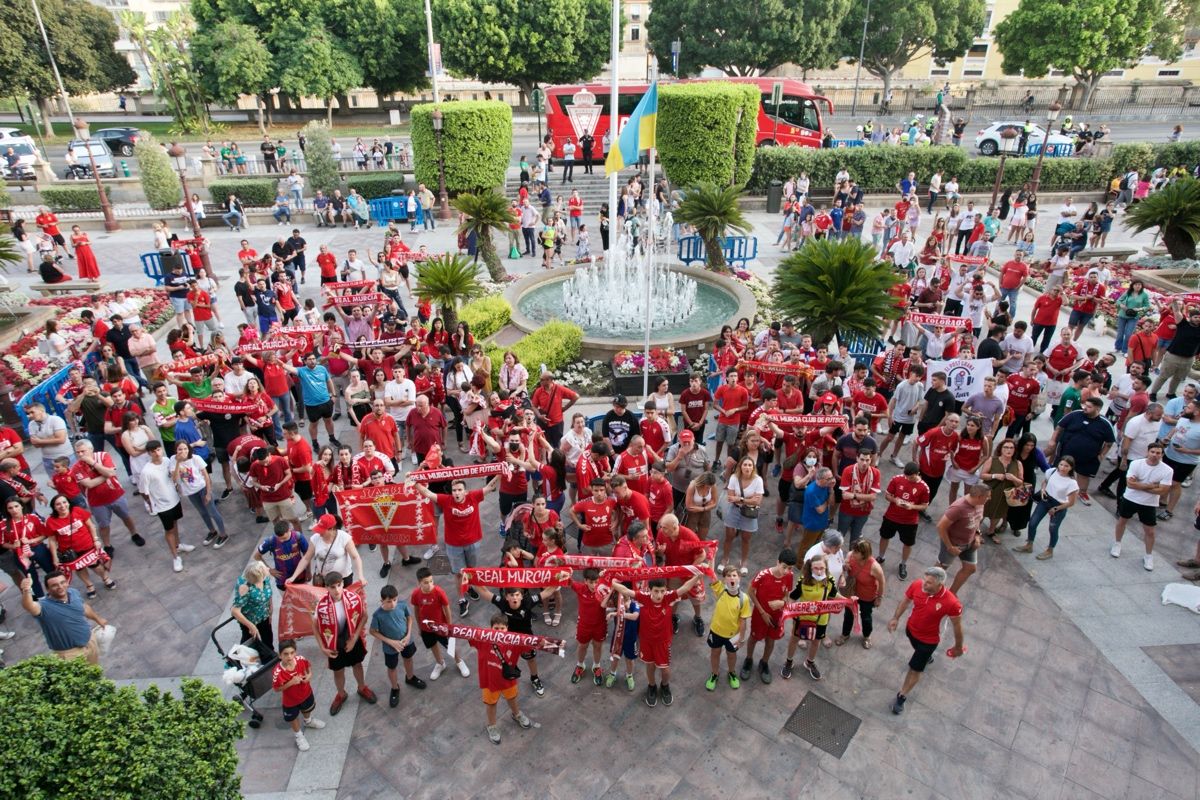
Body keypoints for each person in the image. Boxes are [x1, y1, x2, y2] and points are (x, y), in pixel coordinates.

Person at [408, 476, 501, 616]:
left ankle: (469, 587)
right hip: (453, 545)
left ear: (465, 491)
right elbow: (428, 493)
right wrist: (414, 482)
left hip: (473, 542)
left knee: (471, 570)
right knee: (458, 574)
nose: (457, 493)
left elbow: (490, 486)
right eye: (454, 490)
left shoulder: (474, 497)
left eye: (459, 490)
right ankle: (462, 599)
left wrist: (501, 473)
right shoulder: (446, 500)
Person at [609, 573, 703, 708]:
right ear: (650, 590)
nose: (659, 595)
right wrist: (611, 581)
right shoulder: (643, 597)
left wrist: (697, 577)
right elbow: (625, 590)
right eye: (656, 591)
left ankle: (665, 686)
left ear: (666, 590)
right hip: (647, 642)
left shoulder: (669, 597)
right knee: (650, 666)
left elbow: (685, 587)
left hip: (663, 642)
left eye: (662, 591)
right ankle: (651, 686)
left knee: (664, 670)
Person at [886, 566, 964, 715]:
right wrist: (895, 618)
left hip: (929, 641)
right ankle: (927, 657)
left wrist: (958, 647)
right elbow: (905, 601)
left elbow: (957, 626)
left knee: (915, 668)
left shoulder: (951, 603)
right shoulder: (917, 585)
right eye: (925, 580)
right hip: (911, 630)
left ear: (939, 584)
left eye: (929, 583)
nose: (924, 584)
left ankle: (901, 696)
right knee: (917, 651)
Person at [312, 571, 377, 715]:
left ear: (343, 584)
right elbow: (315, 626)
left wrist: (354, 638)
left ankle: (362, 687)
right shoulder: (321, 605)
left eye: (339, 585)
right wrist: (322, 647)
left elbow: (364, 616)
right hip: (334, 641)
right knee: (338, 671)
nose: (337, 590)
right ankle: (341, 694)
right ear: (326, 588)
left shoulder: (353, 598)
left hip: (351, 636)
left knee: (357, 665)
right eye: (332, 587)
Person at [472, 613, 536, 744]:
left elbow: (530, 646)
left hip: (508, 680)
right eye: (496, 628)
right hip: (489, 682)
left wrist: (553, 645)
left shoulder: (514, 642)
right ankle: (492, 726)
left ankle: (517, 714)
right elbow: (465, 634)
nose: (499, 632)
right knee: (491, 704)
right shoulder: (482, 640)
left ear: (507, 629)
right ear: (490, 629)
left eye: (502, 628)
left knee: (512, 698)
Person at [1112, 441, 1175, 571]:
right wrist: (1153, 485)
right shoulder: (1136, 464)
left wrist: (1140, 485)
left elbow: (1163, 490)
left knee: (1150, 531)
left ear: (1162, 454)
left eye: (1158, 453)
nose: (1155, 455)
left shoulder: (1168, 470)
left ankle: (1148, 555)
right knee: (1122, 521)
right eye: (1152, 452)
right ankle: (1117, 543)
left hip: (1149, 503)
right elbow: (1130, 484)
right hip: (1130, 498)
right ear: (1147, 452)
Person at [18, 572, 108, 663]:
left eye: (62, 582)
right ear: (47, 589)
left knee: (95, 669)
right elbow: (29, 606)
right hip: (69, 654)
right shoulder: (43, 606)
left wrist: (98, 619)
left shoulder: (73, 592)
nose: (60, 587)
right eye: (54, 585)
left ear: (67, 582)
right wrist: (26, 590)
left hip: (90, 641)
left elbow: (84, 607)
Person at [739, 548, 796, 684]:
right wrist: (763, 612)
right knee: (753, 638)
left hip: (777, 616)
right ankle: (748, 659)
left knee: (771, 641)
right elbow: (750, 591)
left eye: (789, 568)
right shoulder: (763, 575)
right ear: (777, 562)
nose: (786, 571)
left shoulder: (789, 576)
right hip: (760, 615)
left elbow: (787, 596)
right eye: (784, 567)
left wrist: (781, 602)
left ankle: (764, 663)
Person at [137, 441, 195, 573]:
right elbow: (142, 490)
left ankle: (178, 545)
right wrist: (150, 503)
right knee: (169, 530)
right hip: (162, 505)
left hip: (174, 499)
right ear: (149, 453)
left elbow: (173, 475)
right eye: (153, 451)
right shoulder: (146, 471)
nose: (157, 453)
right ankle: (175, 557)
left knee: (175, 523)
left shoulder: (166, 460)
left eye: (158, 450)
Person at [1044, 397, 1115, 504]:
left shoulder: (1105, 424)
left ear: (1098, 409)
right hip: (1066, 452)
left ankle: (1082, 493)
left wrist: (1102, 455)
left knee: (1084, 475)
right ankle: (1049, 487)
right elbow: (1059, 427)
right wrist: (1053, 440)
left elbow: (1109, 442)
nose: (1085, 408)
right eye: (1085, 405)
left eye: (1089, 407)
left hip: (1089, 456)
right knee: (1059, 470)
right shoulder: (1075, 414)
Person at [369, 584, 428, 708]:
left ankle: (410, 677)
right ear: (382, 601)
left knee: (408, 658)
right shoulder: (377, 615)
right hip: (390, 646)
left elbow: (409, 618)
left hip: (406, 640)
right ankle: (395, 688)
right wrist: (391, 642)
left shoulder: (402, 605)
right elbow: (373, 631)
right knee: (392, 667)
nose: (393, 604)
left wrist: (408, 635)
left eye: (395, 600)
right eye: (389, 601)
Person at [782, 553, 838, 681]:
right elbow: (793, 596)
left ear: (826, 568)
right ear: (810, 568)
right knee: (794, 639)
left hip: (821, 619)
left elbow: (834, 595)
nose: (819, 571)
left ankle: (810, 662)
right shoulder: (804, 580)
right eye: (815, 568)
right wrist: (788, 610)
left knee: (816, 641)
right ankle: (789, 662)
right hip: (802, 618)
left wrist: (849, 600)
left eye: (821, 568)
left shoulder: (829, 580)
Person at [409, 566, 470, 680]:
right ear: (419, 583)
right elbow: (416, 611)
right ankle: (440, 663)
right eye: (426, 582)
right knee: (432, 645)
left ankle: (459, 662)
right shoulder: (416, 594)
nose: (429, 584)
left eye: (431, 581)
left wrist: (449, 626)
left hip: (442, 627)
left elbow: (447, 609)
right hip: (426, 628)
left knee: (450, 645)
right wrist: (419, 627)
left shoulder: (439, 592)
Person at [1014, 456, 1079, 561]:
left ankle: (1050, 550)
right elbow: (1045, 481)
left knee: (1053, 529)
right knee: (1033, 522)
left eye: (1066, 466)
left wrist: (1056, 509)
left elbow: (1071, 503)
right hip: (1046, 500)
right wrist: (1043, 489)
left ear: (1071, 468)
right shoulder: (1052, 471)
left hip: (1060, 505)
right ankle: (1029, 544)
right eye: (1061, 464)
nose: (1062, 468)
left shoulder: (1072, 483)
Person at [271, 639, 327, 752]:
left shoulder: (301, 660)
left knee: (307, 708)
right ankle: (298, 735)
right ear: (280, 655)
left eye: (292, 653)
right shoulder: (278, 672)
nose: (289, 657)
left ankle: (308, 721)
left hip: (306, 693)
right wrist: (290, 683)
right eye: (286, 654)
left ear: (295, 652)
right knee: (293, 718)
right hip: (290, 701)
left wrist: (309, 675)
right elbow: (276, 689)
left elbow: (308, 667)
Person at [877, 462, 930, 580]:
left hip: (909, 522)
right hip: (891, 516)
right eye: (906, 476)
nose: (907, 479)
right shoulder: (897, 479)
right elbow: (887, 495)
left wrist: (912, 507)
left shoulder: (924, 487)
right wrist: (895, 500)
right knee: (884, 536)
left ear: (917, 474)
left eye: (910, 477)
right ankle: (881, 556)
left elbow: (925, 505)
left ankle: (903, 564)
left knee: (908, 544)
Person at [704, 566, 753, 691]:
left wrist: (741, 638)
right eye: (728, 575)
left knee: (731, 655)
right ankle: (714, 674)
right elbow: (712, 575)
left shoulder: (744, 599)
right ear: (724, 579)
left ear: (739, 578)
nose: (732, 578)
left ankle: (731, 672)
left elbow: (743, 620)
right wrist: (709, 561)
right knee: (715, 653)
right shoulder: (720, 590)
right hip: (716, 631)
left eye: (734, 575)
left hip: (733, 636)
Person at [936, 484, 989, 595]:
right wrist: (950, 547)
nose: (989, 498)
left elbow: (977, 521)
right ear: (979, 496)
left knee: (970, 568)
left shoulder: (980, 504)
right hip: (954, 544)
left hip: (970, 542)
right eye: (987, 496)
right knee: (940, 570)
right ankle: (929, 590)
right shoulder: (958, 508)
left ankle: (951, 594)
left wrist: (978, 536)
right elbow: (941, 526)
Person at [835, 539, 885, 648]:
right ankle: (845, 634)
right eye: (853, 550)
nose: (853, 553)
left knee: (866, 617)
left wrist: (879, 598)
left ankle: (867, 636)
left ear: (864, 554)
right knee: (848, 615)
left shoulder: (874, 567)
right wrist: (845, 566)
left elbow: (882, 582)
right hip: (851, 593)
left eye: (856, 552)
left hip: (867, 596)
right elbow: (844, 566)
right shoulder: (850, 556)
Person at [721, 456, 763, 575]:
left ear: (753, 467)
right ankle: (725, 558)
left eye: (750, 465)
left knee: (746, 538)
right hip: (734, 509)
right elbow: (730, 498)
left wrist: (739, 498)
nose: (747, 467)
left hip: (749, 512)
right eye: (745, 465)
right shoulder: (734, 478)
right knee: (729, 536)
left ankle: (744, 561)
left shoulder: (758, 480)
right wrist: (748, 499)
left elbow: (758, 501)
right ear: (741, 466)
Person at [231, 561, 275, 657]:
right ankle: (243, 662)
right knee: (249, 645)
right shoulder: (245, 588)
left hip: (264, 615)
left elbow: (268, 593)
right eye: (265, 568)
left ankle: (270, 658)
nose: (268, 568)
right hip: (250, 620)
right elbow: (234, 610)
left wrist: (270, 608)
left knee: (268, 638)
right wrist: (251, 626)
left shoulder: (265, 579)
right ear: (259, 575)